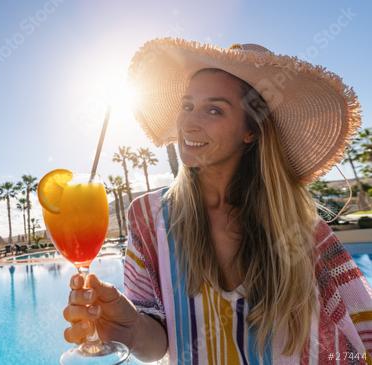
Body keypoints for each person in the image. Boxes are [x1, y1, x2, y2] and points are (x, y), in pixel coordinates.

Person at [63, 38, 372, 364]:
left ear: (250, 131)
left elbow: (359, 329)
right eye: (187, 106)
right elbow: (157, 345)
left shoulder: (305, 231)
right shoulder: (147, 219)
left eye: (214, 109)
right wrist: (128, 329)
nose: (189, 123)